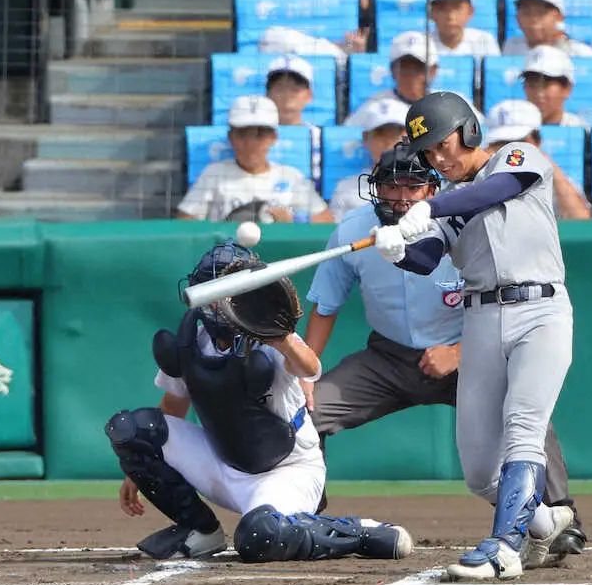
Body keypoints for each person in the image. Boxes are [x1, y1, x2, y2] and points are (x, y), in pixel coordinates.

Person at [305, 143, 587, 560]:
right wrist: (304, 376)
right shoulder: (352, 230)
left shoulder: (459, 220)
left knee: (524, 414)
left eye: (413, 185)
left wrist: (458, 351)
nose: (401, 196)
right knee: (305, 413)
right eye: (390, 186)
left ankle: (560, 516)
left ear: (433, 188)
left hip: (467, 349)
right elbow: (325, 306)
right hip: (387, 358)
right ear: (374, 189)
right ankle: (305, 518)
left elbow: (485, 298)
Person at [369, 92, 578, 580]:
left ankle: (505, 547)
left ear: (468, 131)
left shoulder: (516, 157)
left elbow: (497, 189)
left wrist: (431, 207)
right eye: (430, 153)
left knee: (523, 427)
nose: (440, 158)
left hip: (540, 310)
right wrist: (396, 246)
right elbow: (424, 260)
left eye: (444, 144)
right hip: (480, 319)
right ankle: (544, 523)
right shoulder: (445, 205)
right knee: (478, 469)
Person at [107, 239, 413, 564]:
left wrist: (279, 337)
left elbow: (310, 367)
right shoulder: (192, 341)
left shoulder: (270, 334)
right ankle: (199, 532)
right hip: (221, 463)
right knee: (131, 429)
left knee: (259, 536)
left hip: (286, 470)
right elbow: (172, 407)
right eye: (211, 293)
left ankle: (358, 532)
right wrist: (140, 470)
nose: (217, 303)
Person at [177, 96, 333, 223]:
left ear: (273, 138)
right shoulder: (214, 173)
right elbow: (184, 222)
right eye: (243, 134)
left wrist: (295, 219)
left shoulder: (290, 175)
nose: (251, 143)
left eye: (260, 134)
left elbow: (327, 220)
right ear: (230, 137)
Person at [484, 99, 592, 218]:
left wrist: (548, 165)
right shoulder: (479, 177)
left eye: (518, 142)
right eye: (502, 143)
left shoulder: (552, 178)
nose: (510, 150)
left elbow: (581, 220)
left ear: (537, 141)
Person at [329, 98, 409, 218]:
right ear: (365, 138)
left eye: (395, 133)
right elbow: (337, 232)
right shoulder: (345, 188)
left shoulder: (425, 185)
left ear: (409, 137)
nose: (388, 141)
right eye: (380, 133)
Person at [344, 31, 440, 127]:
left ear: (433, 71)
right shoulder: (374, 107)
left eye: (419, 68)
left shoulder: (446, 104)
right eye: (405, 68)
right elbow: (348, 135)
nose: (411, 75)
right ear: (392, 71)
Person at [502, 0, 592, 57]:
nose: (533, 18)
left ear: (559, 17)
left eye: (541, 12)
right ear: (517, 18)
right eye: (526, 12)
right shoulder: (511, 48)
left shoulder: (581, 54)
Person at [428, 0, 500, 57]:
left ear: (470, 12)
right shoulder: (422, 44)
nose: (451, 16)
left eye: (457, 8)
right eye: (442, 9)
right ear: (431, 14)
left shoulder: (484, 41)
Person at [521, 46, 590, 128]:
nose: (539, 94)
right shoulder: (512, 132)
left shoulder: (582, 132)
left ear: (567, 89)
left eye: (546, 85)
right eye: (532, 84)